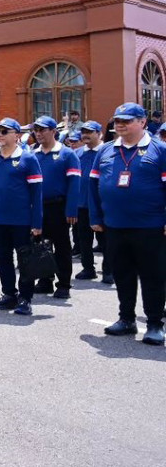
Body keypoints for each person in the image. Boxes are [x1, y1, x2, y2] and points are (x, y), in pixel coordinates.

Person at [90, 103, 166, 346]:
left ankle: (154, 323)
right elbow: (92, 186)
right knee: (122, 274)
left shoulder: (159, 150)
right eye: (117, 121)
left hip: (150, 226)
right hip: (115, 225)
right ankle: (126, 319)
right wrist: (95, 217)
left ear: (143, 122)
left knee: (153, 276)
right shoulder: (106, 151)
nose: (120, 125)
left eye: (126, 120)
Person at [0, 118, 44, 316]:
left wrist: (37, 222)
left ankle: (25, 298)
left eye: (4, 131)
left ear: (17, 135)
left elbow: (37, 193)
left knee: (25, 260)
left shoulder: (28, 159)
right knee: (3, 258)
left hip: (22, 220)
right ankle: (9, 294)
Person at [30, 115, 81, 299]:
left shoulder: (67, 154)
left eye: (43, 130)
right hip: (38, 207)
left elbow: (74, 183)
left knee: (61, 246)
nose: (39, 134)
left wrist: (71, 209)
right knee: (39, 245)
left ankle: (64, 284)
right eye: (36, 130)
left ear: (53, 131)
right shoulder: (32, 154)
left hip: (58, 206)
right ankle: (45, 280)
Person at [75, 120, 111, 284]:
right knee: (84, 239)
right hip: (82, 204)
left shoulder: (107, 151)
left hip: (102, 204)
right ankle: (88, 268)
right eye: (83, 132)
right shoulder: (77, 153)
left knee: (106, 240)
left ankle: (108, 271)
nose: (85, 135)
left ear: (99, 133)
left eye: (89, 132)